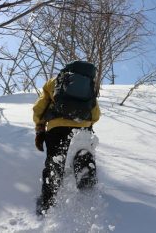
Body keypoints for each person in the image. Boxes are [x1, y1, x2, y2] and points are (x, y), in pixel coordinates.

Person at [33, 61, 100, 216]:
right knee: (81, 152)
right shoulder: (89, 87)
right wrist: (85, 123)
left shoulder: (54, 82)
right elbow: (96, 114)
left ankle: (47, 203)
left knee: (54, 161)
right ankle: (84, 166)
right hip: (83, 129)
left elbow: (39, 108)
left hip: (56, 129)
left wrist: (39, 128)